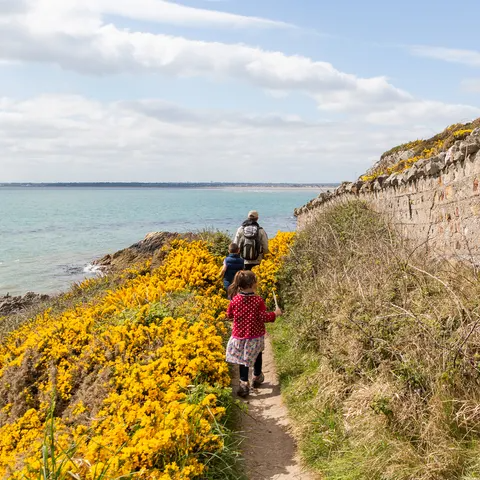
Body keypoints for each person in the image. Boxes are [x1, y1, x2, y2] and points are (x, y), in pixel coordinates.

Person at [225, 270, 282, 397]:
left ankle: (244, 383)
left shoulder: (235, 300)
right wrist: (275, 314)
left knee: (242, 360)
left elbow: (229, 315)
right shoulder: (258, 300)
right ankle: (256, 376)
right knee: (257, 355)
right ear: (252, 284)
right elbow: (263, 317)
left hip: (239, 335)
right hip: (255, 336)